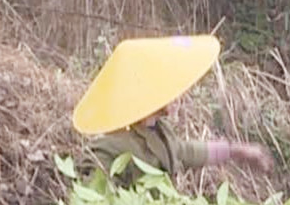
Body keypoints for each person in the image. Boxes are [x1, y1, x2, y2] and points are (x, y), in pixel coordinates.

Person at [72, 35, 274, 182]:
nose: (179, 95)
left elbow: (185, 151)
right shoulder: (108, 150)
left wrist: (236, 151)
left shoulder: (157, 131)